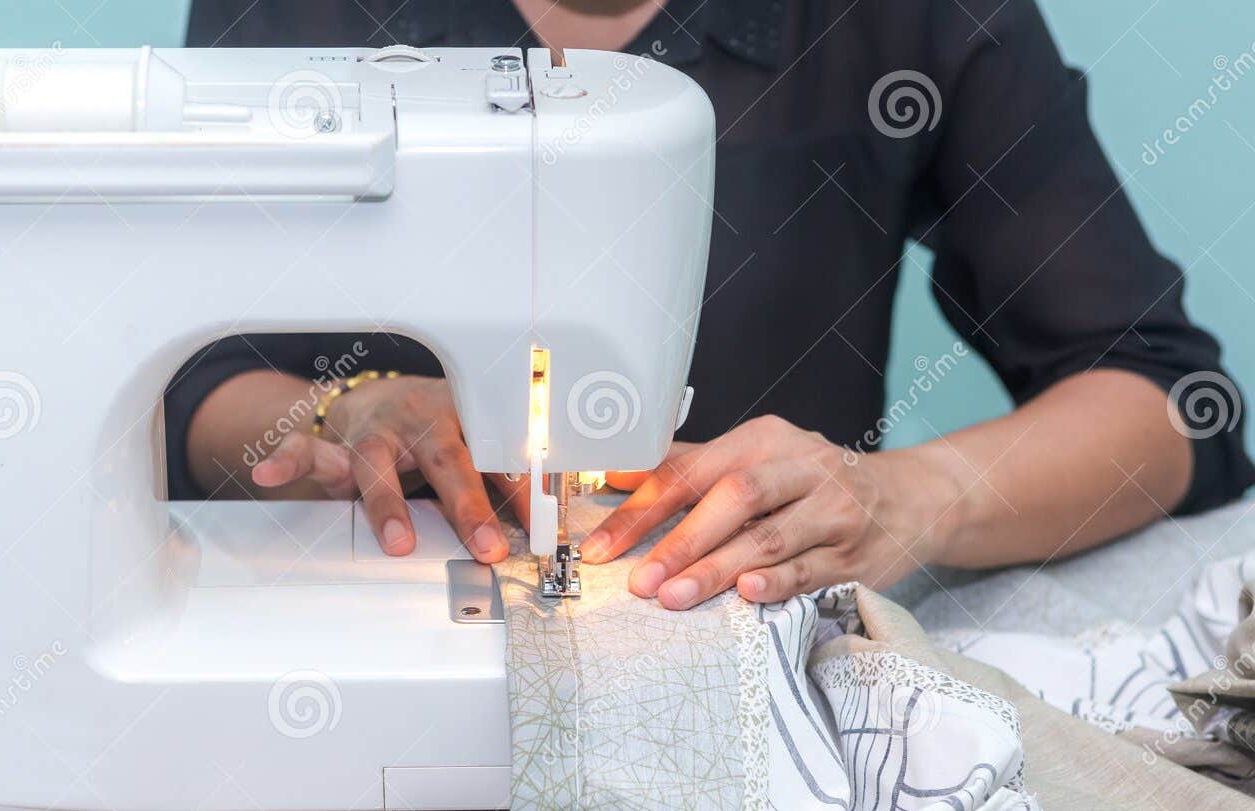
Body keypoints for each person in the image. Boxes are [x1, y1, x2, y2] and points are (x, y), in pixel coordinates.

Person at [167, 0, 1254, 611]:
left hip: (753, 642)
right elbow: (189, 381)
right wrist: (333, 415)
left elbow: (1165, 398)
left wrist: (907, 497)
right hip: (350, 615)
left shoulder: (909, 21)